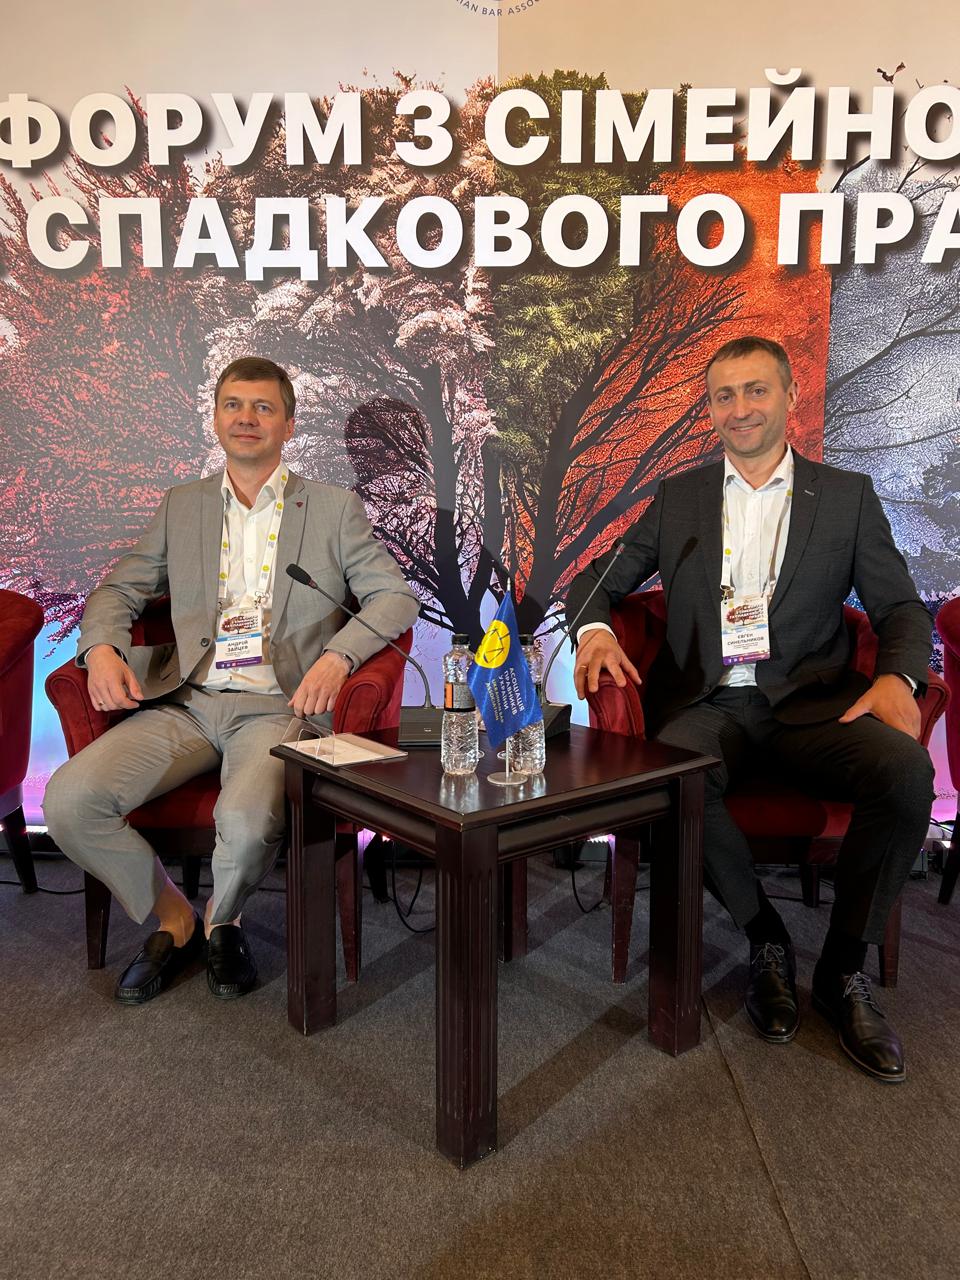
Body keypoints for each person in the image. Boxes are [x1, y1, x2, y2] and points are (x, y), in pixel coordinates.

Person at [567, 336, 934, 1083]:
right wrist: (596, 630)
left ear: (790, 396)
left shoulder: (847, 497)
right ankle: (766, 936)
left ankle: (842, 970)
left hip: (812, 705)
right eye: (724, 395)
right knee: (677, 777)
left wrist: (899, 676)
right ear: (710, 409)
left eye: (756, 390)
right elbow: (596, 581)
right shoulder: (679, 498)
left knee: (905, 773)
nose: (740, 409)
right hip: (710, 701)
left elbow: (900, 607)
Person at [44, 357, 419, 1003]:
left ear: (288, 425)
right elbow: (117, 590)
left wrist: (338, 658)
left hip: (279, 708)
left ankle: (223, 920)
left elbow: (393, 598)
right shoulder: (181, 505)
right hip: (186, 703)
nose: (247, 418)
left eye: (263, 407)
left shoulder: (333, 509)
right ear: (216, 419)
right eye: (233, 405)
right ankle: (175, 918)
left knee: (245, 823)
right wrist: (101, 648)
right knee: (68, 803)